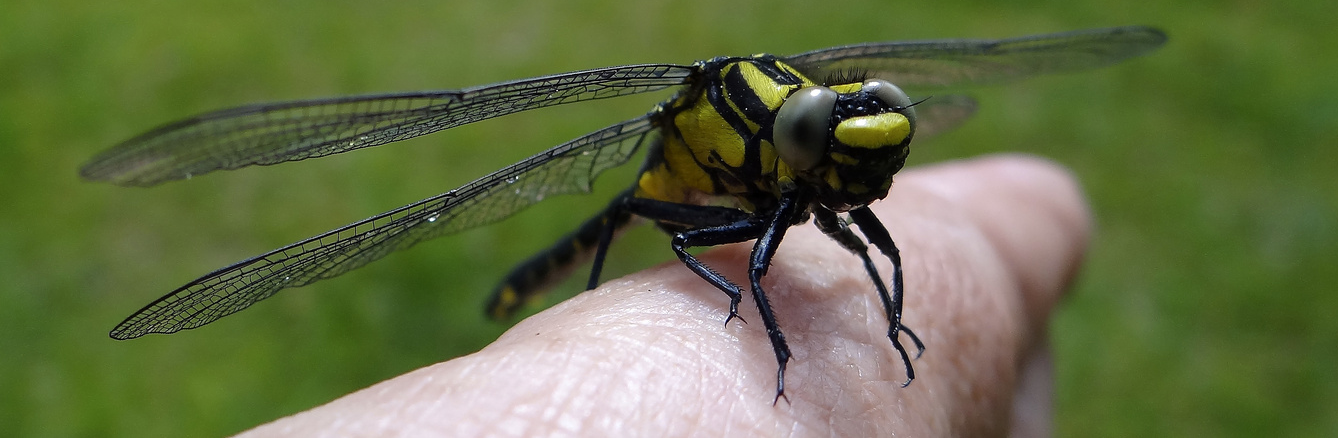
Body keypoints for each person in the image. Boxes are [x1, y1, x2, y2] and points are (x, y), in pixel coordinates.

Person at [239, 154, 1088, 437]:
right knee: (659, 230)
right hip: (672, 198)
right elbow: (735, 257)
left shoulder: (808, 166)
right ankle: (558, 292)